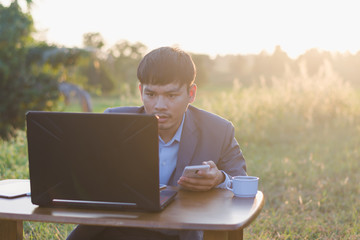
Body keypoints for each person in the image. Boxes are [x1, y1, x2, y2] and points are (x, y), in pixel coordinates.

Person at [66, 46, 247, 240]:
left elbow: (244, 186)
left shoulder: (218, 130)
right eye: (150, 94)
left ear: (191, 94)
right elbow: (85, 176)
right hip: (115, 230)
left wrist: (220, 179)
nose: (159, 105)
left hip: (179, 234)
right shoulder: (113, 121)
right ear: (140, 91)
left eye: (171, 95)